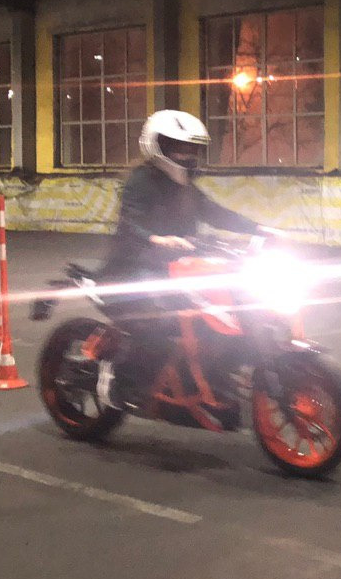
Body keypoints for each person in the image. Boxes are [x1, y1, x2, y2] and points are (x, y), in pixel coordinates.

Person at [96, 109, 263, 411]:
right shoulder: (141, 181)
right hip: (134, 266)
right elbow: (130, 221)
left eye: (190, 147)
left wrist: (258, 228)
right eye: (176, 146)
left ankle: (212, 374)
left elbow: (215, 212)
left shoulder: (186, 185)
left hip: (179, 265)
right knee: (157, 320)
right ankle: (117, 377)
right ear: (156, 145)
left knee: (233, 304)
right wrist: (156, 239)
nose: (185, 154)